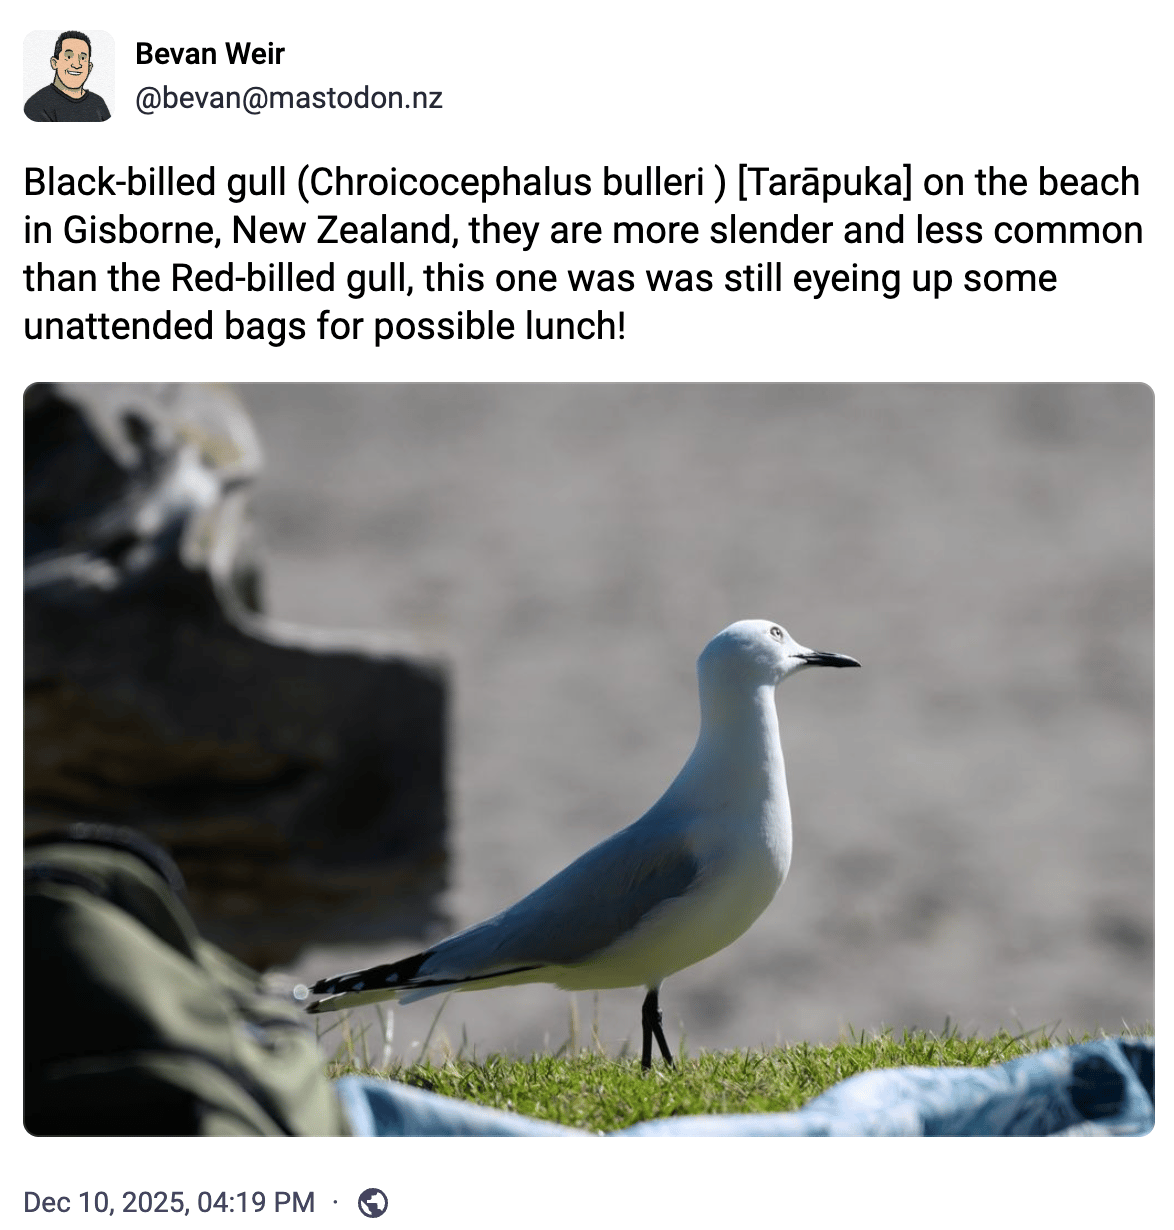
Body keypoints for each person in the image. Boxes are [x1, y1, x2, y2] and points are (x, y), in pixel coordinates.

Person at [25, 30, 110, 121]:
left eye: (82, 58)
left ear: (89, 68)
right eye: (69, 57)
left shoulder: (98, 103)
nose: (76, 65)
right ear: (54, 63)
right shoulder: (37, 105)